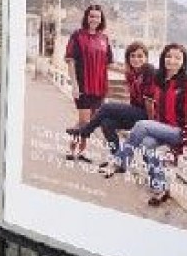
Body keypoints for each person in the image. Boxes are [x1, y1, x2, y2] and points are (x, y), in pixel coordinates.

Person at [112, 43, 187, 206]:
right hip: (161, 128)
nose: (172, 60)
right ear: (163, 58)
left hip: (179, 131)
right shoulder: (159, 81)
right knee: (146, 145)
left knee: (141, 125)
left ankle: (121, 162)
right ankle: (160, 188)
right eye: (169, 56)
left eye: (178, 58)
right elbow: (152, 104)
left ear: (183, 62)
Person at [66, 40, 156, 169]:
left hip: (148, 115)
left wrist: (151, 124)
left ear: (146, 57)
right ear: (128, 58)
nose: (136, 59)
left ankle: (86, 131)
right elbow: (133, 100)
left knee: (107, 107)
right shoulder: (131, 74)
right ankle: (119, 161)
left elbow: (150, 101)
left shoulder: (149, 71)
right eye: (132, 56)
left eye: (140, 56)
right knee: (107, 123)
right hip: (137, 112)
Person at [64, 4, 113, 163]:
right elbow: (70, 61)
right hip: (83, 85)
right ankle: (72, 150)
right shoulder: (77, 36)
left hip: (99, 87)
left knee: (90, 122)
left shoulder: (104, 39)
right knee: (84, 121)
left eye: (97, 17)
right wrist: (75, 85)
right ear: (86, 17)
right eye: (91, 16)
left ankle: (81, 151)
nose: (94, 19)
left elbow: (108, 63)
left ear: (101, 19)